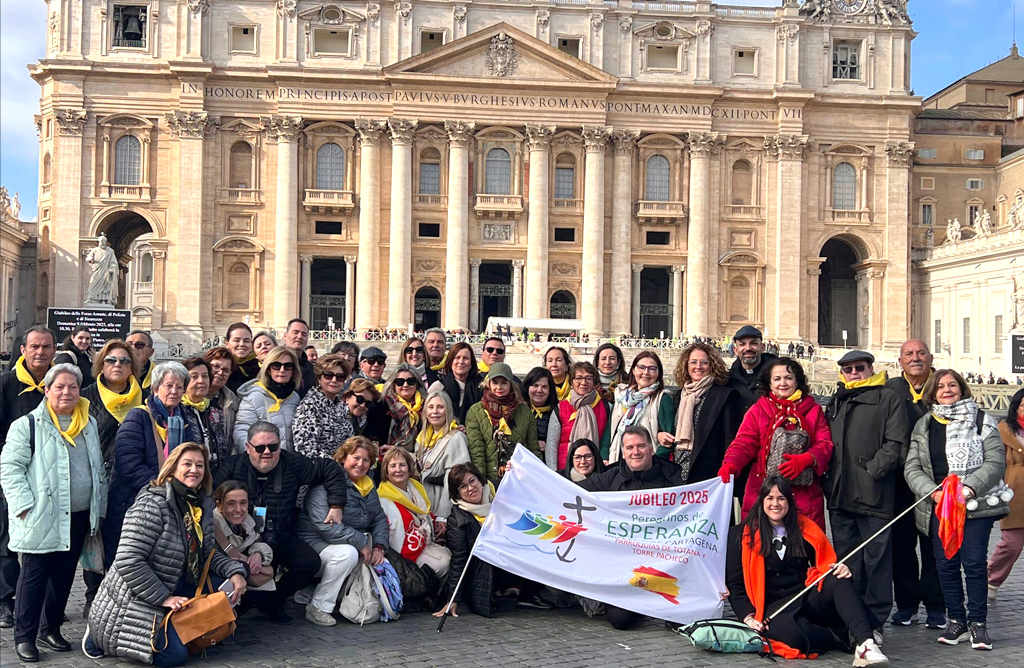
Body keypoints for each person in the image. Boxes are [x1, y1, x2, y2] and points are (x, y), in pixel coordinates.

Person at [85, 443, 247, 664]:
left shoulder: (201, 507)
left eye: (200, 465)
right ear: (172, 468)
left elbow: (207, 554)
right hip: (138, 594)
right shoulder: (153, 504)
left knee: (224, 587)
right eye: (187, 464)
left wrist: (235, 572)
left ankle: (180, 628)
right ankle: (97, 636)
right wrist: (164, 598)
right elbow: (128, 561)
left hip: (178, 582)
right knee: (173, 656)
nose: (195, 469)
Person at [1, 364, 107, 663]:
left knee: (63, 576)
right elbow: (10, 469)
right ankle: (25, 636)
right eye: (59, 386)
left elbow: (95, 466)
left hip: (79, 514)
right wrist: (24, 505)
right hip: (41, 514)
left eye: (72, 387)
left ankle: (51, 628)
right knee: (34, 576)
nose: (66, 392)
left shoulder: (88, 423)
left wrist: (99, 504)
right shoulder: (28, 424)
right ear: (47, 391)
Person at [725, 477, 889, 666]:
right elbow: (735, 585)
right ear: (761, 501)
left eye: (781, 498)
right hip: (772, 608)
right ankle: (842, 635)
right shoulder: (740, 535)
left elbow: (825, 564)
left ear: (789, 501)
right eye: (770, 498)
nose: (775, 504)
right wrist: (748, 617)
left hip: (803, 597)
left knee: (837, 579)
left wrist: (840, 568)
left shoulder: (804, 528)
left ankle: (865, 644)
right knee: (794, 637)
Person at [905, 370, 1008, 649]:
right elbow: (912, 467)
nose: (947, 389)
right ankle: (957, 621)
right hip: (939, 505)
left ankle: (978, 624)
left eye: (952, 385)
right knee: (946, 565)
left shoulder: (983, 420)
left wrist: (968, 489)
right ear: (932, 393)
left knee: (973, 564)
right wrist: (933, 492)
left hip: (974, 505)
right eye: (940, 386)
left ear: (962, 389)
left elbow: (996, 461)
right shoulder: (924, 425)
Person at [216, 422, 347, 624]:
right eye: (260, 448)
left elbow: (329, 468)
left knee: (309, 563)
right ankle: (240, 607)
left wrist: (336, 504)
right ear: (248, 447)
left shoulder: (292, 462)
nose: (266, 452)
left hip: (280, 533)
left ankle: (273, 600)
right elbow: (211, 497)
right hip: (243, 537)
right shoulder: (232, 466)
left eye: (273, 447)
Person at [823, 350, 909, 630]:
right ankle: (853, 618)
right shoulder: (836, 400)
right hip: (839, 495)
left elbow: (896, 443)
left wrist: (872, 471)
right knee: (848, 562)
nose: (854, 373)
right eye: (848, 369)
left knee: (877, 562)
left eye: (860, 368)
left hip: (874, 495)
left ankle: (875, 620)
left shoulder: (888, 398)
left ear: (871, 368)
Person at [579, 426, 683, 630]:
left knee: (682, 618)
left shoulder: (672, 476)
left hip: (664, 562)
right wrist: (526, 474)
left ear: (651, 448)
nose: (636, 452)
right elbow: (569, 488)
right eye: (630, 447)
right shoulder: (612, 476)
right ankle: (640, 602)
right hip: (625, 567)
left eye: (641, 446)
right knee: (621, 620)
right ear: (623, 452)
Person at [718, 358, 833, 529]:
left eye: (788, 378)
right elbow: (744, 442)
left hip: (802, 493)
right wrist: (731, 464)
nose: (783, 383)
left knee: (802, 546)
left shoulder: (814, 410)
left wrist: (808, 459)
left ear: (797, 381)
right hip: (763, 489)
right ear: (769, 384)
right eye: (777, 379)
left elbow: (824, 442)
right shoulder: (758, 410)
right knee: (759, 544)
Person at [109, 362, 199, 558]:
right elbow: (129, 465)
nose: (174, 391)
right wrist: (164, 487)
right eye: (169, 385)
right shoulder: (138, 417)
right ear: (156, 388)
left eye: (179, 386)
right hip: (135, 503)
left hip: (172, 502)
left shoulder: (184, 419)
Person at [79, 339, 143, 615]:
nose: (118, 365)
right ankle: (94, 594)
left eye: (125, 361)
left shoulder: (145, 397)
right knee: (97, 539)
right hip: (100, 479)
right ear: (101, 364)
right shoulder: (86, 397)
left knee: (130, 539)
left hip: (134, 481)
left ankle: (124, 593)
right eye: (112, 360)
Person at [433, 463, 546, 618]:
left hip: (511, 553)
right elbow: (460, 559)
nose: (470, 488)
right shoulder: (457, 519)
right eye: (463, 487)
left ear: (480, 480)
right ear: (457, 494)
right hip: (483, 568)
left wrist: (516, 469)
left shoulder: (498, 491)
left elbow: (522, 486)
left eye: (472, 481)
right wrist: (453, 598)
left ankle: (529, 594)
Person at [885, 339, 945, 628]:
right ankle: (907, 604)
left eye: (921, 353)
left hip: (936, 482)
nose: (915, 358)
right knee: (902, 545)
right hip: (900, 482)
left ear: (930, 357)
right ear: (900, 361)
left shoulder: (944, 386)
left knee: (935, 544)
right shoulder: (891, 390)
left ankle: (936, 604)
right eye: (909, 354)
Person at [0, 325, 57, 627]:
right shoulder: (7, 384)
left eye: (46, 347)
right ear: (23, 350)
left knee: (47, 545)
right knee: (7, 541)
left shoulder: (61, 384)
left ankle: (45, 606)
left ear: (54, 351)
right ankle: (5, 600)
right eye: (34, 346)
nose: (40, 352)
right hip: (16, 476)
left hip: (52, 480)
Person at [297, 436, 387, 626]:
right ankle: (319, 606)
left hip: (349, 541)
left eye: (366, 460)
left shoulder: (367, 485)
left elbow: (378, 517)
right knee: (347, 554)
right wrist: (361, 542)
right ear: (343, 457)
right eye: (355, 458)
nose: (360, 464)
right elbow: (325, 526)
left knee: (370, 557)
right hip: (315, 543)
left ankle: (347, 599)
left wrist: (379, 546)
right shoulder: (326, 483)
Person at [662, 342, 744, 484]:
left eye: (704, 362)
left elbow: (730, 438)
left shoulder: (725, 396)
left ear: (711, 365)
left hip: (709, 474)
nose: (698, 367)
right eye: (693, 362)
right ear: (686, 366)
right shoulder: (679, 395)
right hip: (678, 470)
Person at [378, 448, 452, 580]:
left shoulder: (416, 487)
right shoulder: (382, 498)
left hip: (424, 543)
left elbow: (424, 514)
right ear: (386, 471)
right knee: (443, 564)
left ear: (409, 468)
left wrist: (436, 524)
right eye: (393, 466)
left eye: (402, 465)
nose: (398, 470)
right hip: (403, 554)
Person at [465, 363, 540, 487]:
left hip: (518, 478)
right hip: (490, 480)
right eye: (495, 382)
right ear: (488, 384)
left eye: (504, 382)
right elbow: (477, 452)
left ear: (511, 384)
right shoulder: (476, 411)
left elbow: (532, 448)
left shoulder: (524, 411)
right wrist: (481, 484)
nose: (499, 387)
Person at [212, 480, 275, 607]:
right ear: (219, 505)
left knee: (265, 585)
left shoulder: (247, 521)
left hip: (240, 569)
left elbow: (256, 540)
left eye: (243, 503)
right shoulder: (211, 525)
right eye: (231, 504)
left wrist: (257, 554)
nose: (238, 509)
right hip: (221, 575)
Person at [989, 388, 1024, 602]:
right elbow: (996, 461)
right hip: (1015, 492)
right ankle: (991, 579)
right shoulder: (1004, 430)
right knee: (1011, 544)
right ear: (1016, 407)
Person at [233, 346, 302, 453]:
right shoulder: (253, 397)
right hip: (262, 462)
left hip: (291, 464)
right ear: (268, 369)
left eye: (288, 366)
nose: (282, 370)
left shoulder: (295, 398)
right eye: (276, 365)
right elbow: (242, 432)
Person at [607, 351, 670, 465]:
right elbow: (610, 429)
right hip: (618, 458)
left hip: (648, 462)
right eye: (641, 367)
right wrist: (604, 455)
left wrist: (656, 462)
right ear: (633, 370)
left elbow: (668, 437)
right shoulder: (622, 396)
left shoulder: (663, 398)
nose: (646, 372)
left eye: (652, 369)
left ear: (658, 373)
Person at [416, 390, 471, 519]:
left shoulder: (456, 438)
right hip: (424, 502)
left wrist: (442, 515)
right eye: (430, 407)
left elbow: (454, 481)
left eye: (440, 407)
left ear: (448, 411)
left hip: (442, 504)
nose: (434, 411)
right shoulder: (422, 437)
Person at [293, 353, 354, 459]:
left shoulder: (341, 406)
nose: (334, 380)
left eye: (340, 377)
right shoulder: (309, 407)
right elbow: (305, 448)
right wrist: (335, 465)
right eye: (328, 375)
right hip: (321, 470)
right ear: (319, 378)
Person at [556, 361, 612, 469]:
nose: (583, 382)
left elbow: (608, 440)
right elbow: (552, 445)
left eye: (588, 378)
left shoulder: (607, 407)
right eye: (578, 378)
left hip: (597, 468)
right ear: (571, 382)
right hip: (565, 468)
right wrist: (553, 471)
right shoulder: (560, 408)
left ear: (594, 383)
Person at [180, 357, 231, 474]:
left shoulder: (215, 409)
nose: (201, 381)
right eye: (194, 376)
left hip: (215, 477)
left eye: (205, 376)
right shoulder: (177, 410)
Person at [429, 341, 483, 425]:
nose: (461, 362)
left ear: (471, 364)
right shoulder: (438, 387)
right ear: (451, 362)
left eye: (465, 358)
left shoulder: (481, 387)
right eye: (457, 357)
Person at [380, 363, 427, 454]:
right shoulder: (383, 404)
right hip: (387, 456)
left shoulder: (428, 405)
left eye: (411, 381)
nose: (405, 385)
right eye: (400, 382)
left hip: (417, 456)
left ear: (417, 384)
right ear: (393, 384)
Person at [203, 347, 240, 461]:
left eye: (226, 370)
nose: (220, 372)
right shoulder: (188, 396)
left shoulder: (233, 403)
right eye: (216, 366)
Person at [522, 367, 562, 470]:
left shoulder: (558, 411)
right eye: (535, 385)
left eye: (544, 387)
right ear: (527, 387)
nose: (539, 390)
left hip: (547, 465)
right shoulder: (518, 410)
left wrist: (548, 445)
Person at [728, 325, 778, 407]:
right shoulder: (728, 379)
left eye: (753, 343)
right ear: (736, 350)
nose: (748, 348)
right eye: (742, 344)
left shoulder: (777, 377)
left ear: (762, 347)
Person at [340, 378, 385, 442]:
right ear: (347, 397)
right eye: (360, 399)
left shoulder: (363, 420)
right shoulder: (335, 415)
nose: (362, 405)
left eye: (368, 403)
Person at [282, 318, 315, 396]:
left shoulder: (311, 369)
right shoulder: (274, 364)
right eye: (295, 332)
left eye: (304, 334)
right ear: (285, 336)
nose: (299, 337)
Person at [224, 322, 259, 392]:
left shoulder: (260, 369)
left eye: (246, 341)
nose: (242, 344)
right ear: (227, 343)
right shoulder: (219, 367)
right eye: (237, 340)